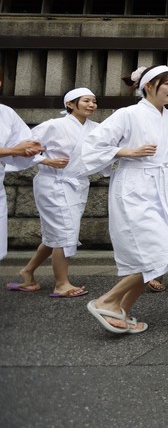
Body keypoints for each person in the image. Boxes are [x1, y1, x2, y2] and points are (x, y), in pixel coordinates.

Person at [79, 65, 168, 335]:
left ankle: (120, 310)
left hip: (164, 187)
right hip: (134, 187)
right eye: (167, 84)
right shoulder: (128, 114)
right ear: (148, 86)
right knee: (156, 253)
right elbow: (91, 147)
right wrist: (127, 152)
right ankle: (107, 301)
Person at [11, 88, 99, 298]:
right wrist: (45, 160)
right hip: (52, 183)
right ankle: (61, 284)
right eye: (86, 101)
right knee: (64, 232)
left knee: (56, 234)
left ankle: (28, 272)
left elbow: (107, 150)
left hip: (76, 185)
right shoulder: (53, 125)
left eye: (94, 101)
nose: (92, 105)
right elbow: (23, 148)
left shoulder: (96, 129)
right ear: (70, 104)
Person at [1, 65, 44, 276]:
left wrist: (29, 150)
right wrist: (13, 149)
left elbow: (23, 140)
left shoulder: (5, 112)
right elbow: (13, 147)